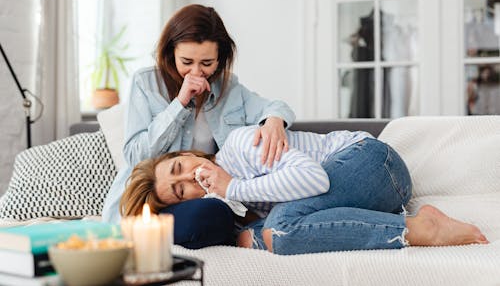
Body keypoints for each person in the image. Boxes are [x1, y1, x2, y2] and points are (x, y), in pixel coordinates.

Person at [120, 125, 489, 255]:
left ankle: (422, 229)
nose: (190, 179)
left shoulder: (240, 145)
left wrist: (233, 186)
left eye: (180, 168)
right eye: (180, 192)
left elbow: (316, 180)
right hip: (375, 195)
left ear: (185, 153)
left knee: (277, 230)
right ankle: (408, 223)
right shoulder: (235, 200)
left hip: (372, 162)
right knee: (277, 229)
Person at [102, 4, 295, 249]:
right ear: (171, 52)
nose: (196, 72)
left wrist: (274, 121)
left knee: (214, 213)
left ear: (219, 59)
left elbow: (275, 106)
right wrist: (180, 103)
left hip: (203, 199)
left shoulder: (228, 88)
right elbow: (135, 156)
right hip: (154, 202)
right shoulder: (146, 83)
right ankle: (138, 237)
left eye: (206, 63)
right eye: (186, 61)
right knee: (202, 219)